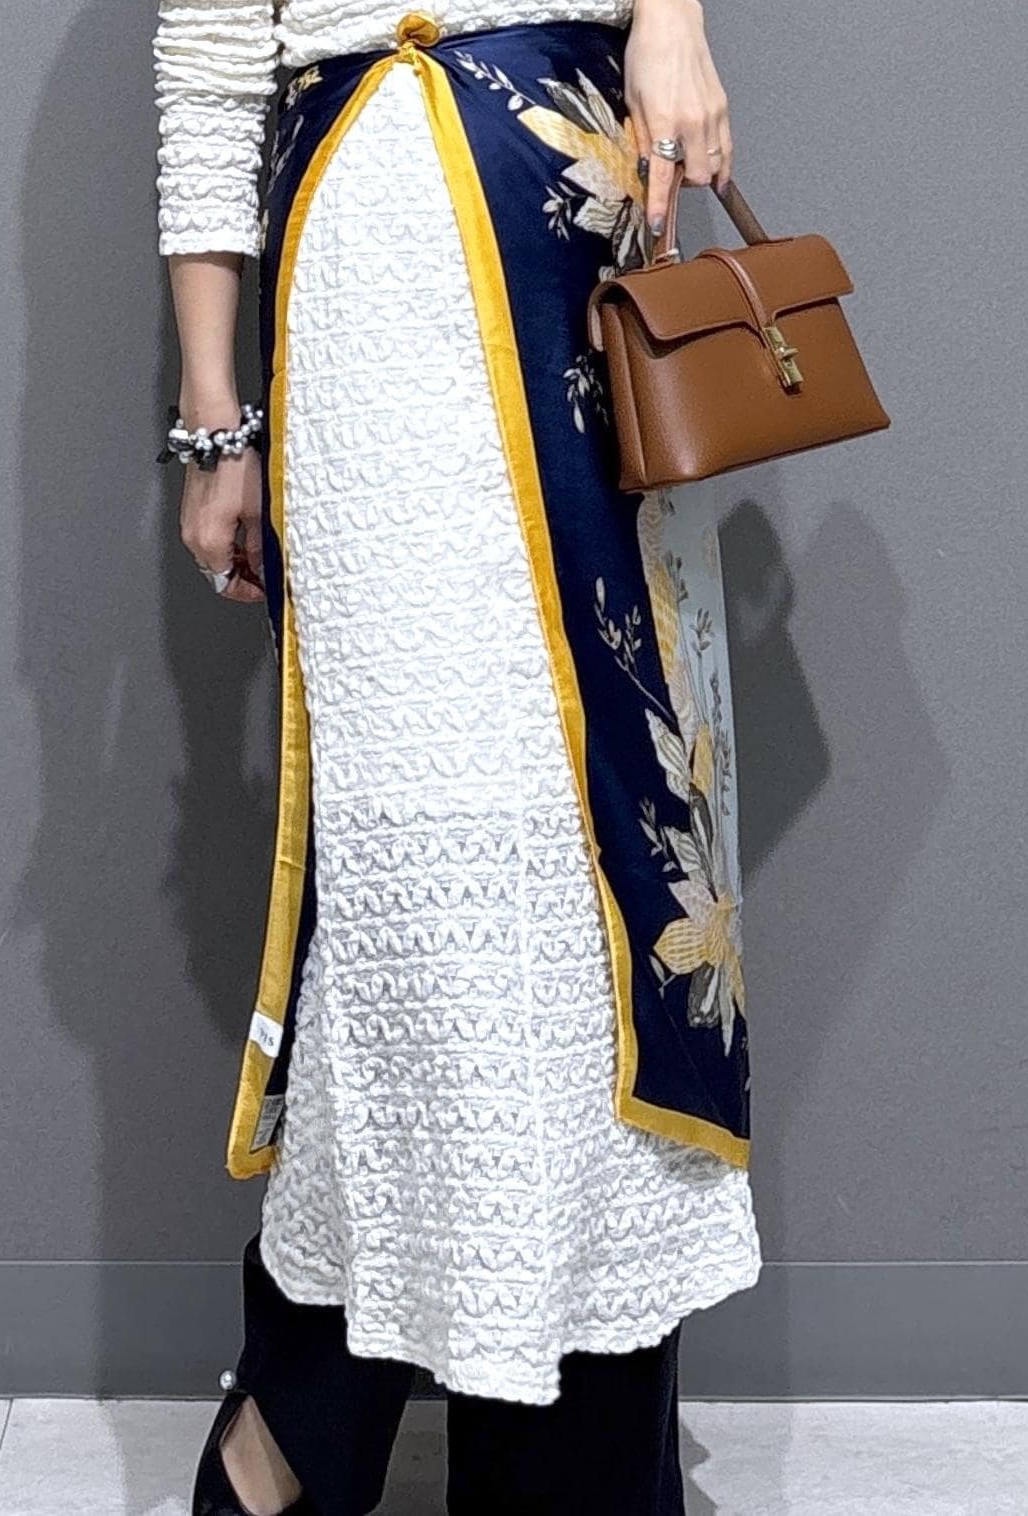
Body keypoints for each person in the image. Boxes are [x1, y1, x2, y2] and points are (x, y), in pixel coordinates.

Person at [153, 0, 762, 1510]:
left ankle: (555, 1455)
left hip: (582, 224)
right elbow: (210, 67)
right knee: (409, 884)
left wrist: (674, 13)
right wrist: (215, 419)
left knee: (603, 872)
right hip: (373, 268)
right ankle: (308, 1420)